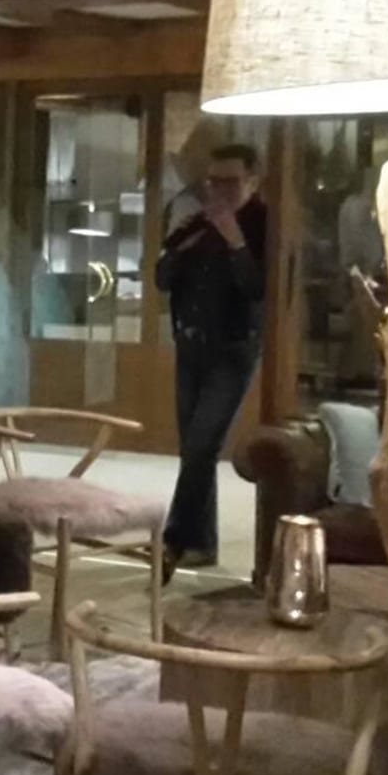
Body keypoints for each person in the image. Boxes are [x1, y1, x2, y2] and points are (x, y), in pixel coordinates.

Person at [155, 143, 267, 579]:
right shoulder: (197, 223)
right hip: (190, 346)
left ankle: (174, 540)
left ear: (252, 182)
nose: (219, 191)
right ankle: (202, 543)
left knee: (203, 444)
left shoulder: (263, 224)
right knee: (193, 450)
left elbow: (256, 288)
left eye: (230, 182)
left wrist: (234, 239)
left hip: (233, 350)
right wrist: (181, 246)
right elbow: (161, 278)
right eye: (213, 182)